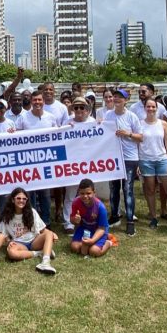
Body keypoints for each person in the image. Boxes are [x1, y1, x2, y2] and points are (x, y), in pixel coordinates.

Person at [14, 89, 58, 226]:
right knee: (30, 194)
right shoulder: (23, 117)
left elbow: (58, 134)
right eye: (35, 100)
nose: (37, 102)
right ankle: (31, 221)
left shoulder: (50, 117)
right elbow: (15, 136)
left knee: (45, 194)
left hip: (45, 161)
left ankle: (46, 222)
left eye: (40, 100)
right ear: (31, 102)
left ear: (44, 101)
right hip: (28, 161)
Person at [104, 88, 143, 236]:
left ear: (126, 100)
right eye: (115, 97)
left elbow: (141, 137)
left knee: (128, 189)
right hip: (113, 157)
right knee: (113, 188)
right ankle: (114, 216)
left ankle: (130, 220)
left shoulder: (132, 116)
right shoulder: (108, 115)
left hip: (129, 157)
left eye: (120, 97)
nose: (117, 99)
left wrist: (128, 134)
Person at [0, 188, 58, 275]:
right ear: (13, 200)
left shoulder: (32, 212)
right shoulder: (7, 215)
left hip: (34, 241)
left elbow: (43, 230)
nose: (21, 201)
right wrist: (9, 241)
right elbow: (3, 235)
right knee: (11, 253)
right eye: (18, 198)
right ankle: (40, 253)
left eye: (24, 199)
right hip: (19, 244)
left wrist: (52, 235)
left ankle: (45, 262)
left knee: (49, 233)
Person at [62, 97, 97, 232]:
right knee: (70, 195)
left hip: (89, 164)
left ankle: (89, 219)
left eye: (82, 107)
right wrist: (64, 129)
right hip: (72, 165)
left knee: (89, 194)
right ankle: (68, 223)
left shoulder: (93, 122)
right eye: (76, 107)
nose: (79, 110)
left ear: (87, 109)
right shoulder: (67, 122)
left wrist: (101, 125)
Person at [140, 98, 167, 228]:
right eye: (148, 107)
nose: (151, 109)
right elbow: (137, 143)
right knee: (150, 189)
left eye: (153, 107)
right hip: (146, 159)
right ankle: (153, 216)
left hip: (161, 159)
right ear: (145, 108)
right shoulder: (140, 124)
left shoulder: (163, 124)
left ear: (157, 108)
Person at [70, 179, 113, 257]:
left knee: (94, 252)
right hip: (84, 228)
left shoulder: (100, 207)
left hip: (98, 230)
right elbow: (72, 220)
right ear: (78, 192)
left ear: (94, 193)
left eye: (88, 193)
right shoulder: (76, 203)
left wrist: (92, 240)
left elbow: (102, 228)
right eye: (82, 193)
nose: (85, 196)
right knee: (75, 248)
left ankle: (108, 243)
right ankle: (89, 244)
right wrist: (75, 220)